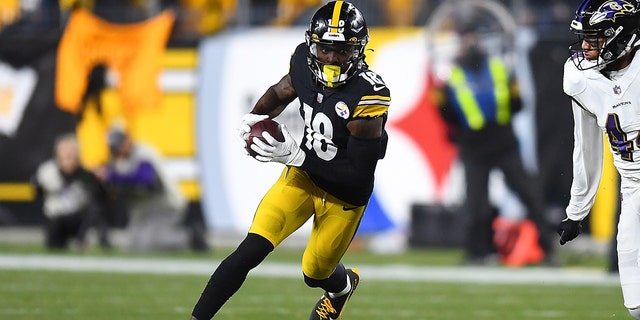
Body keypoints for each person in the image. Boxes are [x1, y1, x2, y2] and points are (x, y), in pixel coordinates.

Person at [190, 1, 390, 319]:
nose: (332, 58)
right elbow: (282, 90)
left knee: (315, 273)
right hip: (303, 178)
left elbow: (357, 178)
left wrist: (297, 155)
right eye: (325, 49)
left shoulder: (367, 97)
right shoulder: (302, 63)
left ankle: (342, 288)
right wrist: (255, 116)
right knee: (250, 249)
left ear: (358, 50)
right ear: (313, 45)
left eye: (341, 51)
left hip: (343, 197)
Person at [434, 22, 556, 266]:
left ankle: (548, 250)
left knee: (528, 195)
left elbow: (517, 104)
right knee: (475, 203)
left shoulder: (498, 70)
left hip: (503, 144)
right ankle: (477, 252)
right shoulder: (455, 77)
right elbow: (446, 114)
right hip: (475, 147)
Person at [557, 0, 640, 318]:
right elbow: (586, 147)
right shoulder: (581, 78)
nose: (587, 46)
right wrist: (577, 211)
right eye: (585, 38)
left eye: (596, 37)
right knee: (636, 306)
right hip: (633, 188)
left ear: (622, 35)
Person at [99, 126, 208, 252]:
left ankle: (190, 237)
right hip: (144, 212)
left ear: (127, 141)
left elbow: (145, 179)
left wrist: (112, 176)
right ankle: (184, 236)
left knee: (147, 244)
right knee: (131, 245)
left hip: (165, 206)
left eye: (118, 146)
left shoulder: (142, 152)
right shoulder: (119, 162)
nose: (117, 151)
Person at [32, 133, 112, 250]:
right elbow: (36, 190)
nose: (68, 154)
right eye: (64, 150)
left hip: (79, 220)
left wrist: (99, 179)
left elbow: (101, 197)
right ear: (57, 153)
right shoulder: (47, 171)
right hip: (56, 218)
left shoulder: (85, 174)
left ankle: (92, 242)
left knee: (94, 211)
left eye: (71, 150)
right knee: (54, 247)